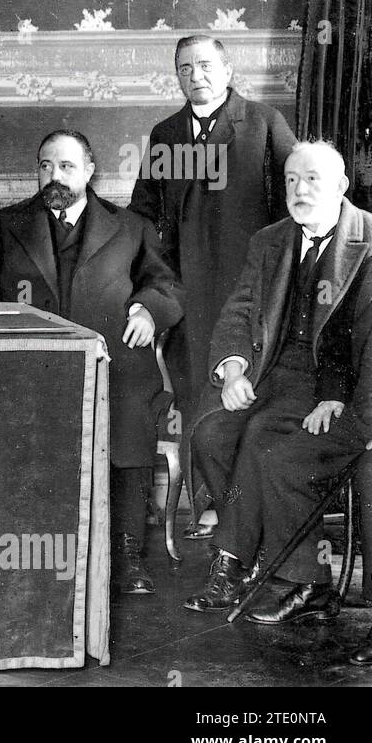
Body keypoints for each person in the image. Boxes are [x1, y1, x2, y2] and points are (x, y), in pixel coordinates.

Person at [0, 130, 184, 594]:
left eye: (65, 166)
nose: (54, 176)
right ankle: (31, 552)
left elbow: (167, 287)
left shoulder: (131, 227)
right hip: (29, 365)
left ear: (89, 170)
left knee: (128, 415)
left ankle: (125, 552)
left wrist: (147, 310)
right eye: (45, 166)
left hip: (114, 365)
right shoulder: (0, 226)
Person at [182, 142, 372, 626]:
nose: (299, 189)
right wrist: (232, 368)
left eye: (312, 179)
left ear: (341, 185)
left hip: (342, 387)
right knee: (211, 435)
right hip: (273, 376)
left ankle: (256, 568)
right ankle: (255, 556)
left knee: (265, 449)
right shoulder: (271, 240)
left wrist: (337, 396)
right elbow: (240, 310)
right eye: (291, 180)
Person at [129, 34, 297, 540]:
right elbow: (145, 211)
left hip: (255, 288)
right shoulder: (167, 134)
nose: (195, 75)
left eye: (205, 65)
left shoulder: (264, 123)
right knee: (194, 390)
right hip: (187, 289)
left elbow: (296, 200)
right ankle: (214, 504)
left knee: (248, 394)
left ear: (227, 70)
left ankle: (250, 510)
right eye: (184, 69)